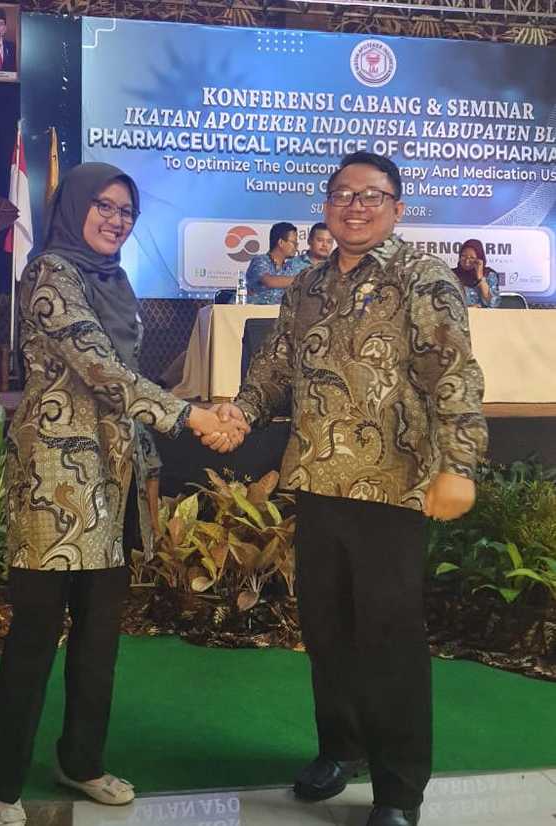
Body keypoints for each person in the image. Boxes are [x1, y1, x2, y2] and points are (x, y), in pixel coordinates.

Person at [207, 152, 488, 826]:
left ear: (397, 207)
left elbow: (454, 374)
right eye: (342, 194)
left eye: (371, 195)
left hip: (392, 487)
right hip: (317, 480)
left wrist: (461, 464)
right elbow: (275, 368)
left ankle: (398, 790)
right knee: (327, 629)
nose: (354, 206)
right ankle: (341, 749)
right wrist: (241, 411)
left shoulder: (422, 278)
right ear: (327, 205)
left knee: (388, 639)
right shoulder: (306, 285)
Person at [0, 162, 247, 826]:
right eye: (103, 205)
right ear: (74, 207)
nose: (115, 219)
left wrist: (176, 430)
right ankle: (2, 786)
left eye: (126, 210)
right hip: (54, 488)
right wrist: (192, 417)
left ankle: (81, 761)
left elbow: (125, 380)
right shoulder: (51, 275)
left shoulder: (115, 281)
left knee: (100, 637)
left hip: (114, 480)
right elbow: (100, 367)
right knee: (35, 638)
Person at [244, 221, 298, 303]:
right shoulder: (260, 261)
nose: (296, 247)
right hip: (251, 310)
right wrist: (301, 280)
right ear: (281, 242)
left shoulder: (289, 268)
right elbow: (269, 281)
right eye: (294, 243)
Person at [452, 239, 500, 308]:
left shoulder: (489, 275)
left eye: (472, 258)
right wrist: (467, 308)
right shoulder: (451, 275)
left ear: (479, 259)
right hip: (458, 313)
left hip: (482, 314)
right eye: (463, 256)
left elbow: (493, 303)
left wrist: (480, 277)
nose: (467, 261)